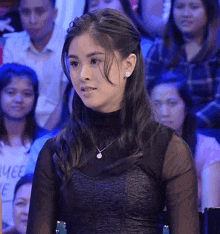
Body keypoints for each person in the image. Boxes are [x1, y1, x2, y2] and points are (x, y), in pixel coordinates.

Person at [26, 9, 199, 233]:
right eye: (75, 63)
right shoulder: (56, 151)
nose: (82, 75)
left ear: (129, 64)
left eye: (95, 61)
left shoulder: (168, 148)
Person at [148, 72, 220, 211]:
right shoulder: (138, 146)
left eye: (172, 103)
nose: (164, 112)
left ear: (186, 107)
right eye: (156, 104)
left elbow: (210, 214)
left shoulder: (208, 147)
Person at [145, 0, 220, 129]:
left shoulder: (217, 51)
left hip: (208, 129)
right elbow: (145, 94)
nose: (186, 13)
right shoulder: (159, 49)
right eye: (179, 7)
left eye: (194, 7)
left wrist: (187, 125)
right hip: (163, 126)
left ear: (209, 11)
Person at [3, 0, 68, 131]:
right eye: (26, 12)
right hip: (14, 128)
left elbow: (64, 102)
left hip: (55, 130)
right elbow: (6, 95)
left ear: (54, 13)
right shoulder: (12, 44)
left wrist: (42, 139)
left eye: (39, 11)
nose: (32, 20)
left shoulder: (69, 45)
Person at [0, 63, 47, 227]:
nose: (18, 100)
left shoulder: (46, 144)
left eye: (26, 94)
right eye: (10, 92)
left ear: (35, 97)